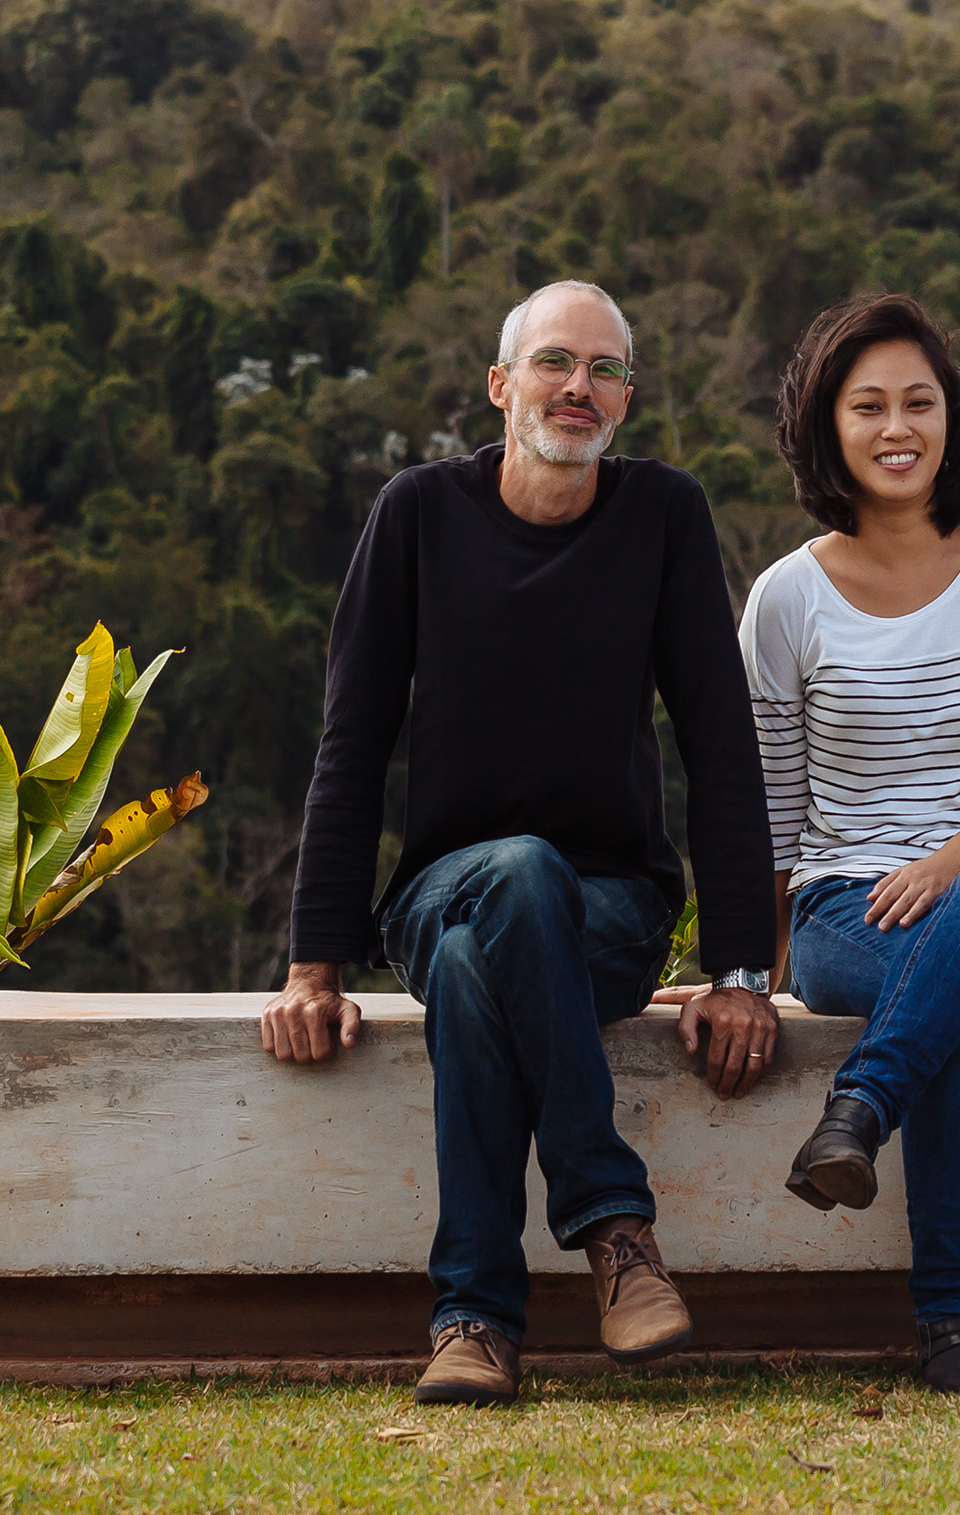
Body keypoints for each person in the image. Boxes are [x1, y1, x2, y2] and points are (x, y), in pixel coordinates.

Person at [259, 280, 782, 1409]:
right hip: (440, 888)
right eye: (555, 362)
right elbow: (351, 744)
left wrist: (743, 972)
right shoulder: (416, 514)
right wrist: (314, 968)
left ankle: (474, 1321)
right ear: (502, 385)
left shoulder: (663, 515)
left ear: (626, 401)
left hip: (613, 912)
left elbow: (720, 746)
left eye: (605, 370)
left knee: (474, 965)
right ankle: (615, 1232)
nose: (578, 387)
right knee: (510, 876)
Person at [701, 293, 960, 1394]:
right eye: (867, 406)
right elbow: (774, 806)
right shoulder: (786, 598)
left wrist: (949, 865)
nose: (896, 427)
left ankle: (860, 1107)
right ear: (827, 428)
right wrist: (745, 972)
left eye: (919, 402)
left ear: (952, 419)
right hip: (849, 913)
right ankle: (953, 1324)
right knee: (956, 995)